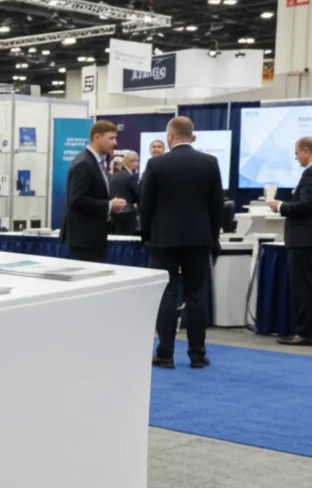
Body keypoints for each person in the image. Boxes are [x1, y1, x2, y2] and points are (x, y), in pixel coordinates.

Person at [139, 116, 223, 369]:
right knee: (196, 294)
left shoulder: (156, 164)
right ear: (192, 136)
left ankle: (164, 354)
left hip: (164, 239)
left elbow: (146, 205)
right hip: (198, 240)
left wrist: (146, 236)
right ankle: (197, 354)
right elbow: (216, 205)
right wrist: (213, 237)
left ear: (170, 137)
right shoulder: (210, 163)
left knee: (167, 294)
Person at [264, 136, 312, 347]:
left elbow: (307, 205)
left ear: (306, 150)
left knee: (303, 289)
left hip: (303, 240)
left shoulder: (310, 173)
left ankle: (304, 333)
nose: (295, 157)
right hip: (305, 239)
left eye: (297, 152)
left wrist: (281, 206)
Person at [63, 120, 127, 262]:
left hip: (94, 238)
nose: (115, 143)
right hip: (84, 241)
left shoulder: (96, 162)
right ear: (97, 137)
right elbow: (77, 200)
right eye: (111, 138)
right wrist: (109, 206)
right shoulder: (84, 163)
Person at [109, 151, 141, 234]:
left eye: (137, 161)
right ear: (129, 161)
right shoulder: (131, 177)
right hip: (128, 216)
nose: (137, 163)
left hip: (113, 214)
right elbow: (138, 195)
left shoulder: (113, 176)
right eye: (135, 161)